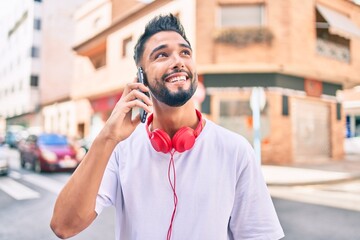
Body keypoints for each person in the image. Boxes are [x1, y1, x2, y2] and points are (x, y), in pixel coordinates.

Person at [50, 13, 284, 240]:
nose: (178, 61)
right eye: (162, 55)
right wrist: (107, 138)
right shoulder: (121, 149)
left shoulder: (235, 150)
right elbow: (64, 226)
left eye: (185, 52)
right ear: (141, 77)